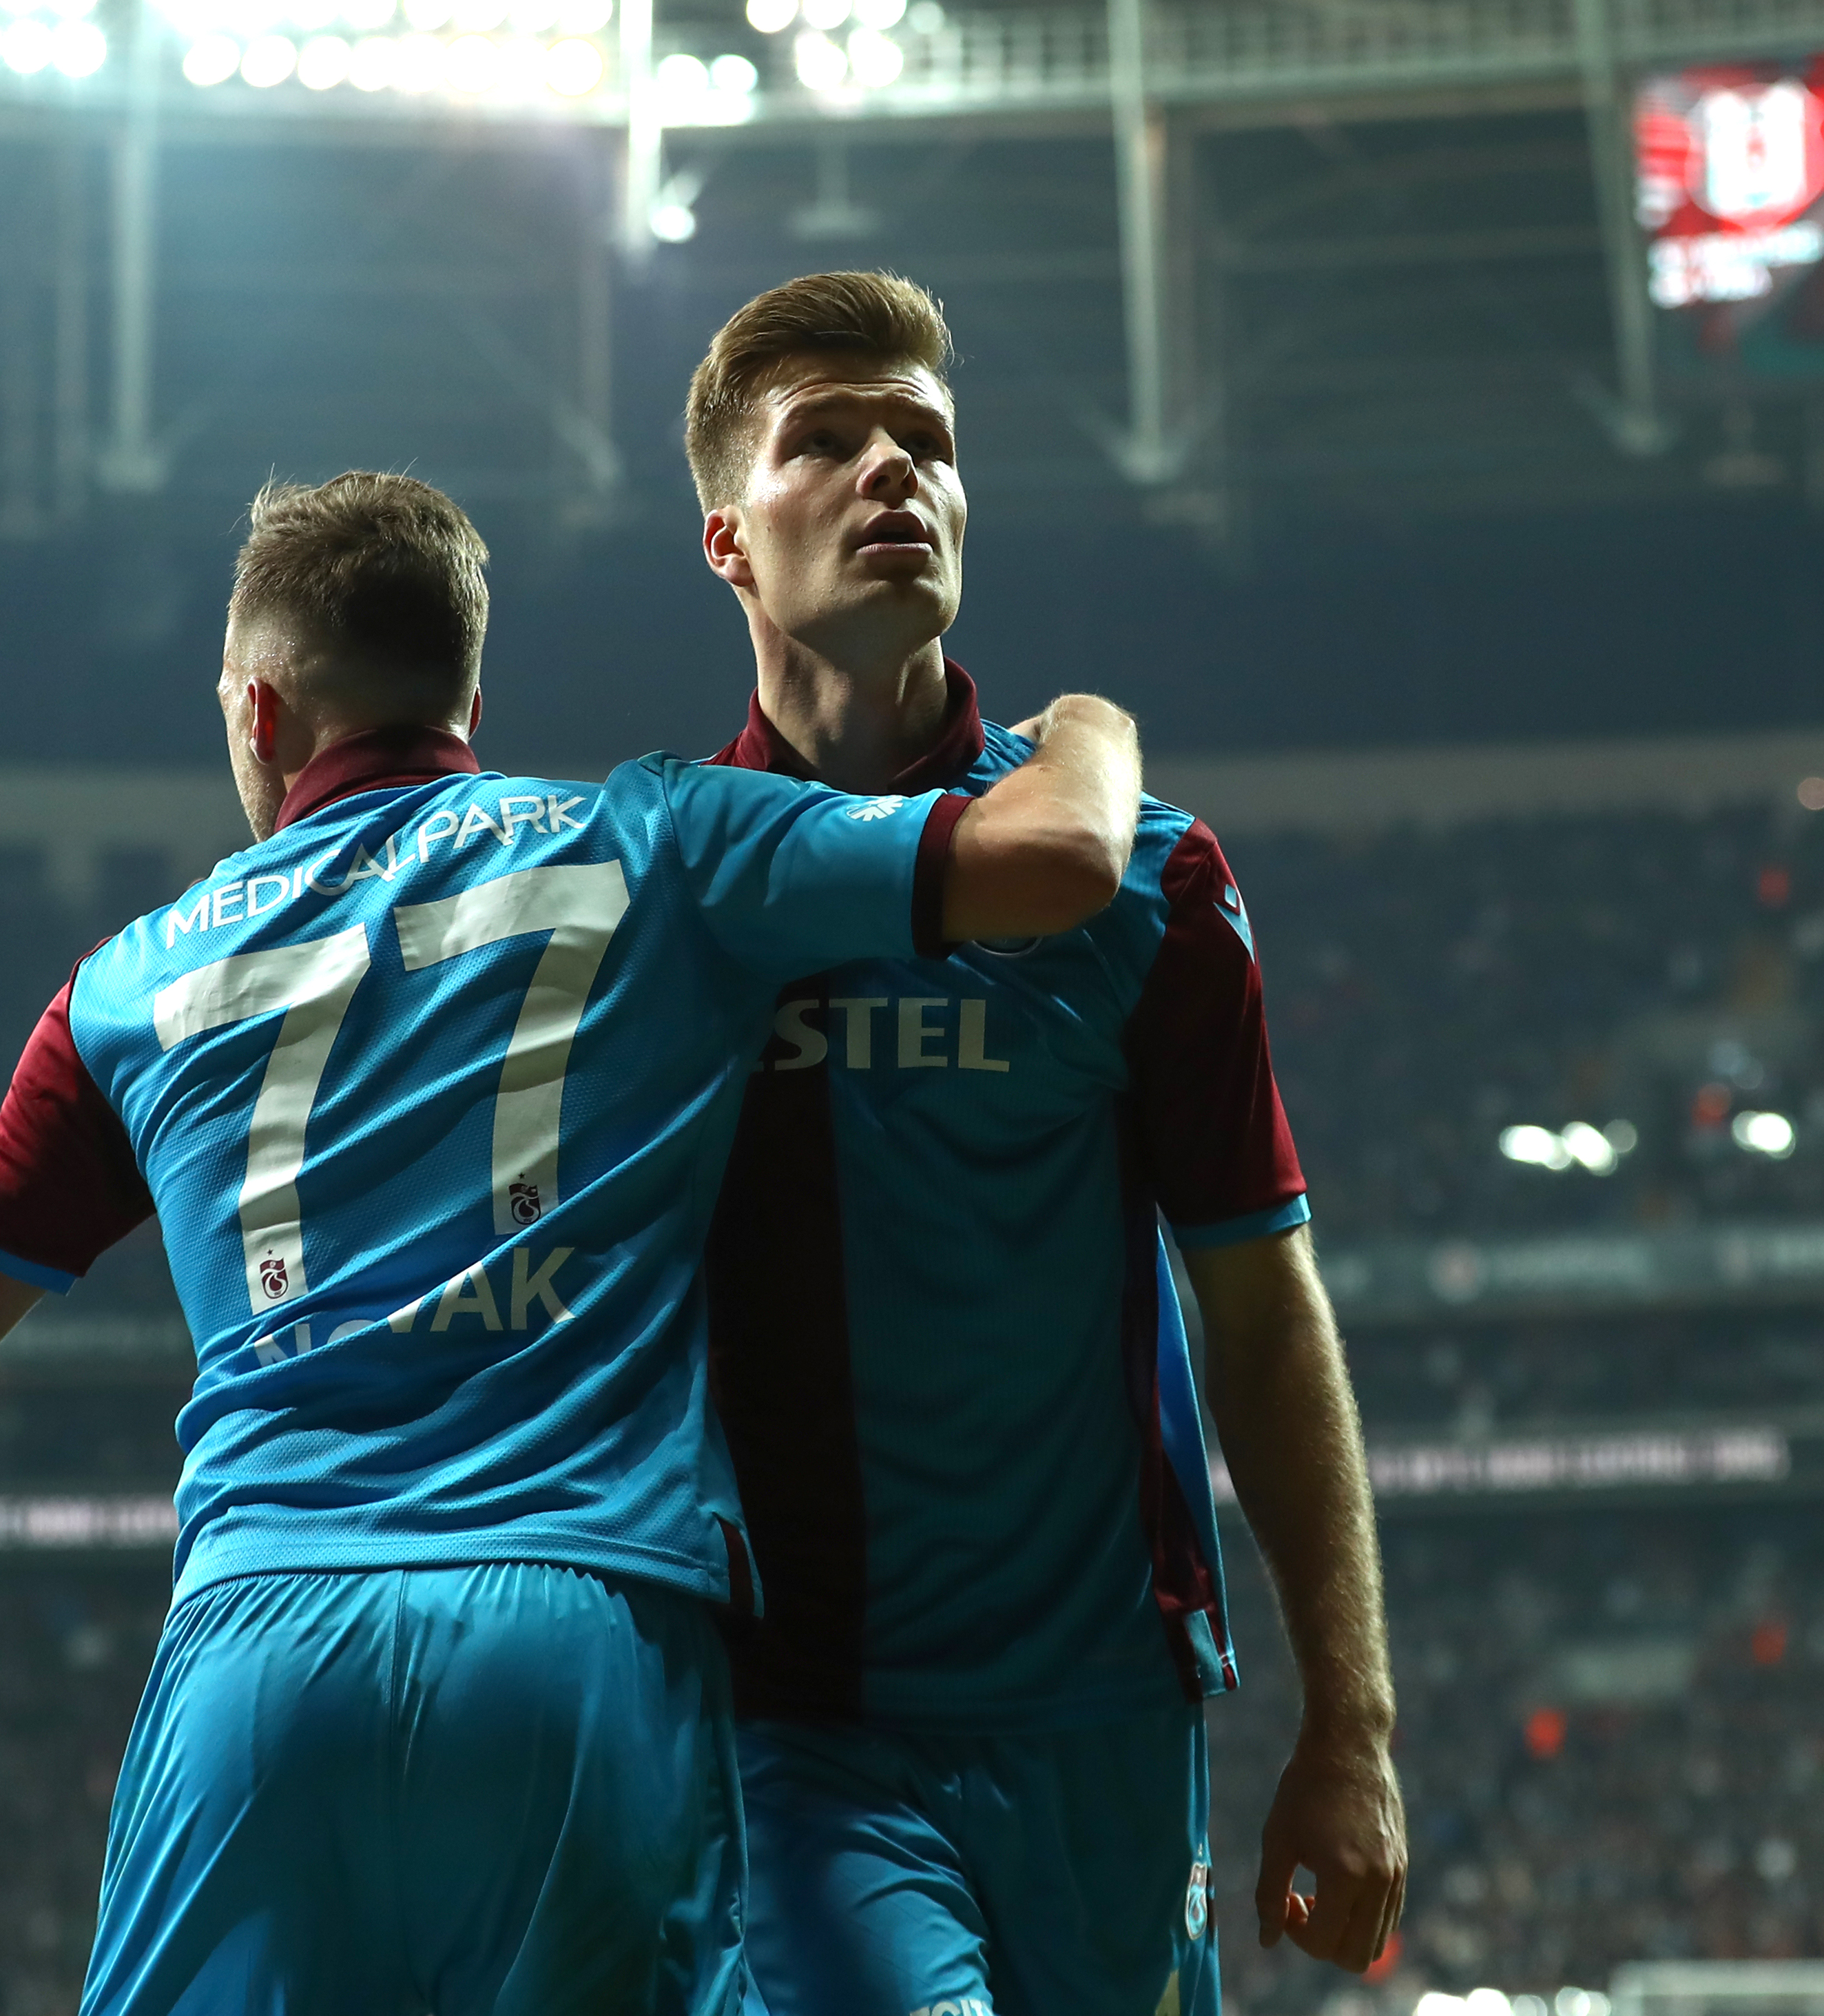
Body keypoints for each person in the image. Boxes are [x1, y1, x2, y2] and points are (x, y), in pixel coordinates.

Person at [0, 471, 1146, 2016]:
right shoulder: (657, 836)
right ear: (470, 687)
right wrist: (1091, 720)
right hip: (577, 1620)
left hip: (258, 1657)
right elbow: (1067, 850)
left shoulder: (124, 987)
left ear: (262, 713)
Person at [680, 270, 1408, 2016]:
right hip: (795, 1730)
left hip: (1103, 1719)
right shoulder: (661, 895)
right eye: (827, 442)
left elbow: (1258, 1304)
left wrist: (1351, 1722)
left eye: (923, 443)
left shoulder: (1151, 884)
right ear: (725, 537)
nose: (889, 476)